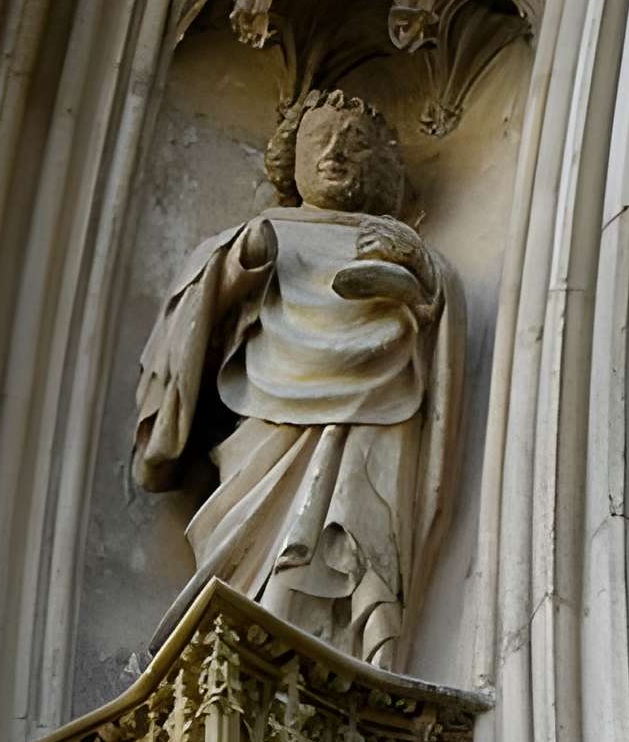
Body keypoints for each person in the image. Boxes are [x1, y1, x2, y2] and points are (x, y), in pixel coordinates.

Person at [135, 90, 459, 668]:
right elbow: (189, 332)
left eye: (355, 143)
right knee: (261, 552)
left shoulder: (394, 245)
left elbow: (439, 314)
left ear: (383, 165)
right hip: (269, 424)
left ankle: (357, 663)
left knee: (357, 530)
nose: (335, 152)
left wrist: (418, 265)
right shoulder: (261, 233)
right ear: (291, 159)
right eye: (318, 140)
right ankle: (250, 660)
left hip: (372, 417)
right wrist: (238, 265)